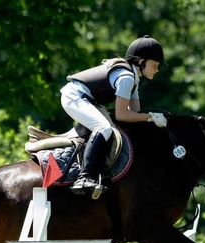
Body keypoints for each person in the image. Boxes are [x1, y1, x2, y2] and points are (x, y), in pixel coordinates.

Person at [60, 35, 168, 197]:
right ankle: (84, 177)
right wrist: (150, 117)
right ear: (141, 62)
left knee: (109, 127)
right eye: (155, 65)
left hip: (87, 99)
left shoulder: (134, 80)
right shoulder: (126, 78)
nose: (157, 69)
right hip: (74, 97)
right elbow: (123, 114)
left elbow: (135, 114)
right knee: (103, 128)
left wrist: (150, 117)